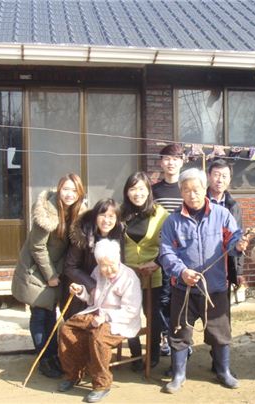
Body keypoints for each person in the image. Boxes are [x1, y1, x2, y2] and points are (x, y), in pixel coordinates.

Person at [159, 168, 249, 394]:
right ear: (181, 192)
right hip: (183, 288)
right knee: (179, 333)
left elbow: (233, 239)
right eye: (187, 190)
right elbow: (166, 253)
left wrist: (238, 245)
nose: (192, 194)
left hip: (216, 287)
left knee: (220, 333)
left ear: (204, 189)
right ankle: (179, 374)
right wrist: (181, 272)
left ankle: (223, 371)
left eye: (196, 189)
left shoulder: (221, 214)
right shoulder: (172, 221)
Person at [11, 173, 85, 379]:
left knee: (51, 314)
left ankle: (52, 355)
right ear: (59, 189)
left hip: (56, 270)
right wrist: (51, 275)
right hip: (36, 269)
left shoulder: (78, 213)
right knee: (40, 314)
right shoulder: (47, 212)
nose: (69, 194)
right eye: (65, 189)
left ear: (80, 192)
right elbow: (37, 247)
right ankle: (43, 358)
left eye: (74, 190)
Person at [57, 239, 142, 403]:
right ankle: (73, 374)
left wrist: (106, 317)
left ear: (119, 259)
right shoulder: (97, 271)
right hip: (96, 314)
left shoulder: (129, 277)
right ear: (98, 263)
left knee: (98, 338)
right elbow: (91, 298)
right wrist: (80, 290)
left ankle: (102, 385)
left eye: (112, 264)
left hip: (121, 320)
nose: (108, 269)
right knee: (67, 328)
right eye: (104, 265)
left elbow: (131, 310)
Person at [121, 172, 169, 370]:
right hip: (127, 274)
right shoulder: (120, 213)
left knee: (152, 315)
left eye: (141, 188)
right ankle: (134, 353)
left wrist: (157, 262)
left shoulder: (161, 214)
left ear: (149, 190)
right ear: (127, 192)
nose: (137, 193)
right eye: (133, 189)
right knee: (129, 314)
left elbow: (168, 244)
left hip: (152, 272)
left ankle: (153, 353)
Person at [206, 159, 245, 372]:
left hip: (223, 269)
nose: (219, 180)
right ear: (208, 176)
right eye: (216, 175)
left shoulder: (233, 206)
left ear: (229, 180)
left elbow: (239, 239)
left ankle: (218, 362)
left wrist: (238, 271)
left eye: (224, 176)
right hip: (200, 267)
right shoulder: (198, 200)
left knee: (220, 317)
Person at [63, 198, 124, 320]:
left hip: (109, 296)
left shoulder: (119, 234)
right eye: (102, 215)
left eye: (111, 216)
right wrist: (92, 286)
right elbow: (70, 267)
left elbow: (121, 264)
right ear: (95, 216)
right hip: (82, 294)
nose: (107, 220)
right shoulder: (83, 234)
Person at [151, 143, 184, 357]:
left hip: (185, 254)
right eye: (167, 159)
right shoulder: (154, 191)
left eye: (175, 158)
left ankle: (181, 339)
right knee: (163, 297)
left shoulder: (188, 188)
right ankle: (164, 336)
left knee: (181, 298)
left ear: (182, 161)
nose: (171, 163)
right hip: (161, 253)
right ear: (161, 163)